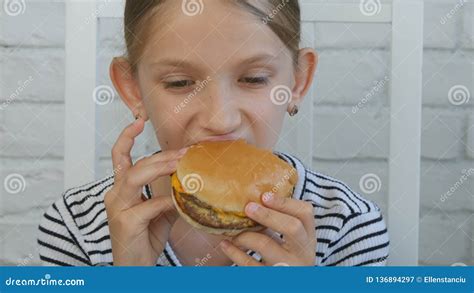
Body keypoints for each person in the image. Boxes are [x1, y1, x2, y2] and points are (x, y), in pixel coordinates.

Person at [38, 0, 389, 266]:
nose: (220, 120)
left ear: (297, 81)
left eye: (253, 79)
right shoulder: (76, 226)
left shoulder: (347, 226)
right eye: (180, 83)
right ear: (132, 89)